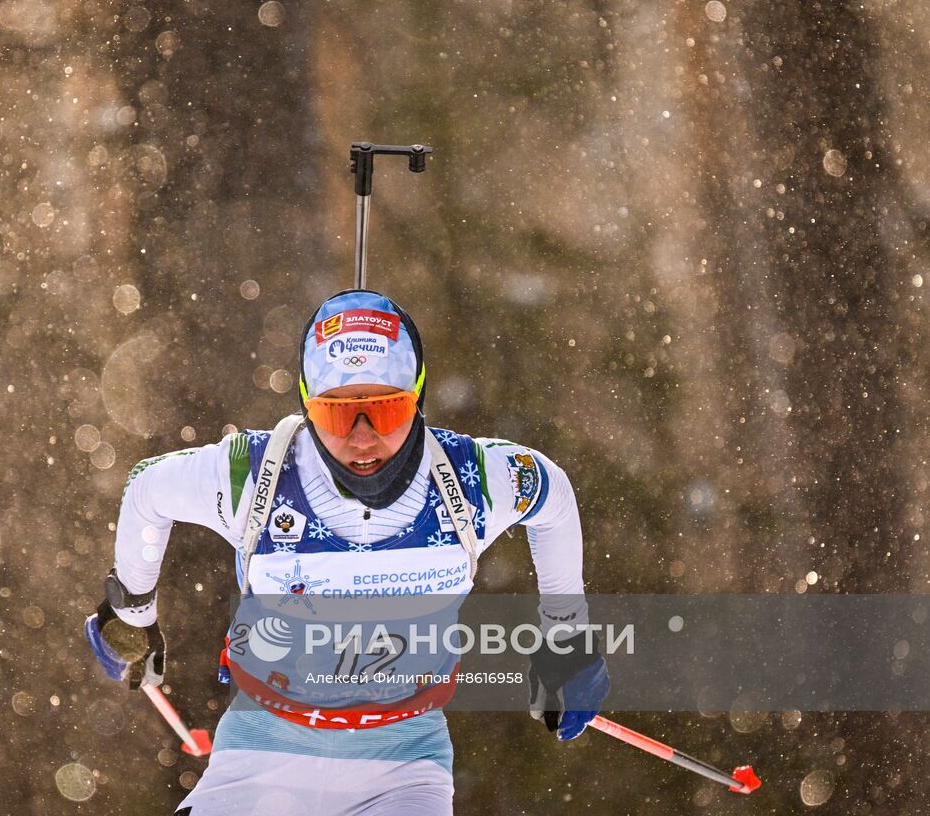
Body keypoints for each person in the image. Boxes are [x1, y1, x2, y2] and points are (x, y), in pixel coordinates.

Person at [85, 290, 608, 815]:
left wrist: (567, 636)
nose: (363, 439)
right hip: (259, 762)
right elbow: (147, 488)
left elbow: (553, 496)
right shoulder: (254, 476)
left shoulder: (471, 482)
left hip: (403, 770)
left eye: (386, 409)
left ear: (418, 397)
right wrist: (131, 612)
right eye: (336, 415)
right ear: (307, 405)